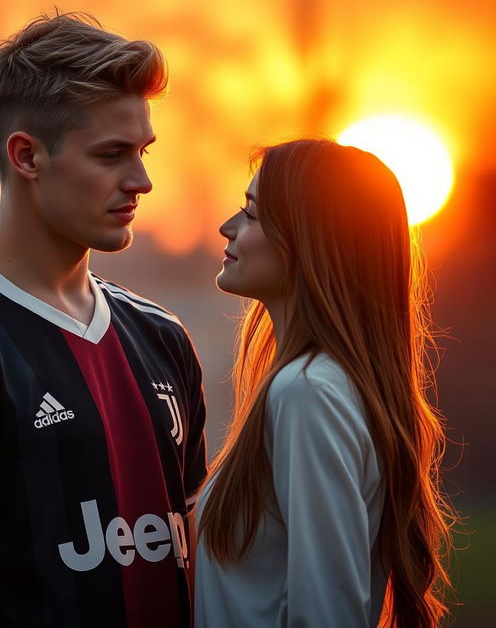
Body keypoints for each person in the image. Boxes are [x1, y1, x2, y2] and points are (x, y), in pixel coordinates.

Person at [0, 12, 207, 627]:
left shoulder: (163, 337)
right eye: (112, 155)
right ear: (26, 156)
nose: (143, 180)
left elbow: (198, 566)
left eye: (143, 151)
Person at [195, 139, 455, 627]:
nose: (227, 227)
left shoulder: (309, 392)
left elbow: (326, 616)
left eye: (250, 213)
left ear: (309, 241)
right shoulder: (323, 386)